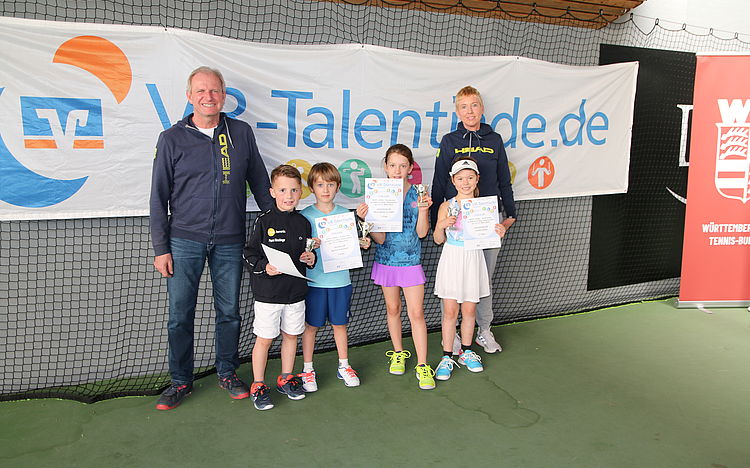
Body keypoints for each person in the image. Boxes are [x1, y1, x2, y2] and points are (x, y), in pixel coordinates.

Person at [150, 66, 273, 411]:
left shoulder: (241, 133)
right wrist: (161, 248)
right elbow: (158, 197)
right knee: (179, 315)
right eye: (201, 91)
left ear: (224, 95)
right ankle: (180, 381)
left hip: (230, 240)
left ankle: (227, 373)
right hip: (183, 240)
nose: (209, 96)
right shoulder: (171, 138)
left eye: (215, 90)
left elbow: (260, 183)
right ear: (189, 96)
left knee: (229, 312)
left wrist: (278, 227)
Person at [430, 85, 517, 355]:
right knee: (454, 283)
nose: (470, 111)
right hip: (456, 225)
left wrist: (509, 216)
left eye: (474, 105)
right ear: (457, 111)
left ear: (482, 108)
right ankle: (453, 336)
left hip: (487, 223)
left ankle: (484, 330)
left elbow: (504, 180)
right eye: (464, 106)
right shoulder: (449, 141)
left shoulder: (495, 140)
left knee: (482, 280)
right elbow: (439, 181)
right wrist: (438, 223)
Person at [360, 144, 436, 390]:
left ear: (410, 168)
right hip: (386, 260)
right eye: (392, 165)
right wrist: (367, 219)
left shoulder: (418, 194)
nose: (397, 170)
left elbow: (422, 233)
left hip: (411, 261)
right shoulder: (377, 194)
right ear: (385, 166)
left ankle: (423, 365)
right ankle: (398, 353)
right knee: (393, 309)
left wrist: (424, 211)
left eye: (403, 165)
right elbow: (380, 239)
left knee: (416, 313)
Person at [243, 164, 316, 411]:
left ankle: (286, 377)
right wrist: (265, 267)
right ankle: (258, 384)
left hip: (295, 294)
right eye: (283, 190)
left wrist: (311, 258)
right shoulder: (264, 221)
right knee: (264, 339)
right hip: (268, 295)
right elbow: (249, 254)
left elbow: (307, 255)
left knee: (291, 336)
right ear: (272, 192)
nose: (289, 195)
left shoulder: (303, 223)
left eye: (294, 190)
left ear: (301, 192)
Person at [298, 162, 371, 392]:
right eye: (320, 185)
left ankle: (344, 366)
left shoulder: (345, 216)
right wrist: (309, 249)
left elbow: (348, 246)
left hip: (341, 282)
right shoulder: (304, 217)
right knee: (311, 326)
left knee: (340, 325)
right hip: (314, 282)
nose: (326, 189)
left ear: (338, 186)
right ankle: (307, 369)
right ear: (312, 188)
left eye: (330, 184)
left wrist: (361, 243)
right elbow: (299, 250)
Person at [432, 157, 507, 380]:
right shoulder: (446, 206)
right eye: (460, 178)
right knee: (450, 312)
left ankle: (466, 351)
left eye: (470, 178)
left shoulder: (485, 208)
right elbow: (437, 239)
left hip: (473, 260)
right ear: (453, 180)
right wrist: (441, 225)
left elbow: (489, 238)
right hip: (452, 259)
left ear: (477, 179)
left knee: (469, 311)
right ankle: (447, 356)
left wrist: (498, 232)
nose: (465, 182)